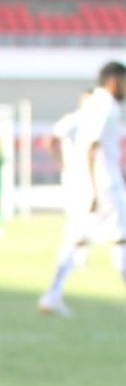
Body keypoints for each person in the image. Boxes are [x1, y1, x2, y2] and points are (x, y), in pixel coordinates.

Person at [39, 64, 126, 317]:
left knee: (77, 238)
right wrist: (92, 188)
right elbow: (91, 147)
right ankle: (52, 295)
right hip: (103, 184)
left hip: (86, 183)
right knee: (121, 238)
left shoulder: (90, 106)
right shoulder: (106, 105)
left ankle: (52, 295)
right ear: (114, 80)